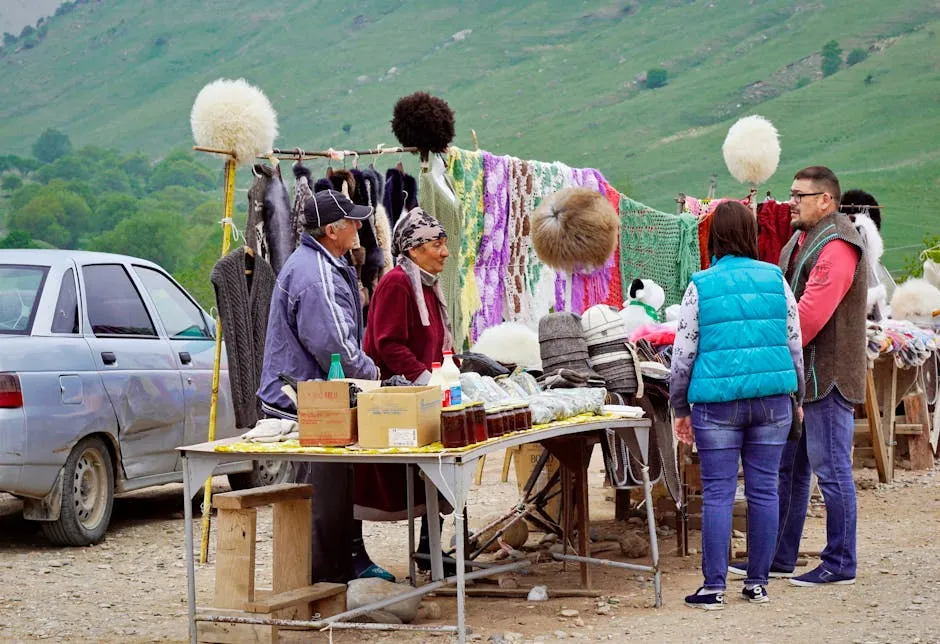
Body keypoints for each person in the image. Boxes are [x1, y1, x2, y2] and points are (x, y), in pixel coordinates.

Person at [729, 165, 867, 587]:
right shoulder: (800, 239)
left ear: (826, 200)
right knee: (790, 468)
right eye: (792, 194)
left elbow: (809, 315)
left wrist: (764, 346)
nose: (791, 202)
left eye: (800, 196)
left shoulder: (839, 244)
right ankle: (778, 555)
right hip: (801, 377)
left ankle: (841, 561)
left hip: (828, 374)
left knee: (832, 469)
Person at [671, 201, 804, 610]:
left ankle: (713, 588)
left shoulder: (701, 284)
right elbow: (794, 342)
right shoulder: (776, 279)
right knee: (764, 491)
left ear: (714, 237)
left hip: (717, 406)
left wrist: (679, 406)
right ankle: (758, 584)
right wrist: (795, 396)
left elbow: (683, 354)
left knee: (718, 493)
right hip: (771, 402)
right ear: (750, 234)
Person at [256, 188, 382, 584]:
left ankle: (333, 579)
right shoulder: (316, 275)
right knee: (321, 504)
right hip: (305, 403)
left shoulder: (321, 262)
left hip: (311, 398)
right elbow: (337, 350)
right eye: (352, 222)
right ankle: (322, 590)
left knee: (327, 499)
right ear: (332, 229)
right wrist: (375, 376)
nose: (360, 226)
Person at [359, 207, 455, 574]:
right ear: (414, 249)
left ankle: (430, 546)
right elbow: (387, 344)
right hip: (396, 400)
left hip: (423, 394)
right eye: (437, 243)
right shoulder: (398, 283)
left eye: (444, 243)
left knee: (441, 464)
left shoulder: (428, 285)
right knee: (420, 470)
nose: (444, 251)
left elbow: (435, 342)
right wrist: (425, 379)